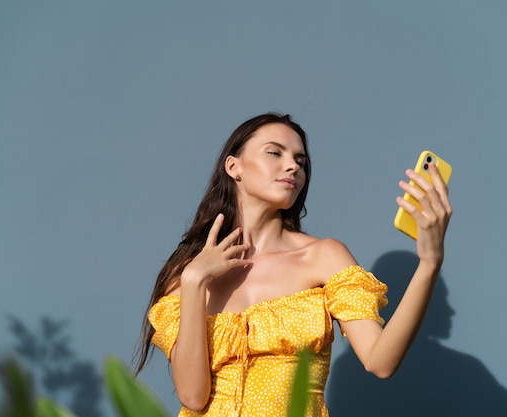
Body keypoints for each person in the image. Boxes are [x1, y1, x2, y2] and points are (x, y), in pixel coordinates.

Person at [134, 113, 452, 417]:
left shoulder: (324, 256)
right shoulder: (188, 274)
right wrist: (193, 282)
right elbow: (192, 396)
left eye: (300, 161)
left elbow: (380, 361)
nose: (292, 166)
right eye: (275, 152)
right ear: (234, 166)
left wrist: (429, 262)